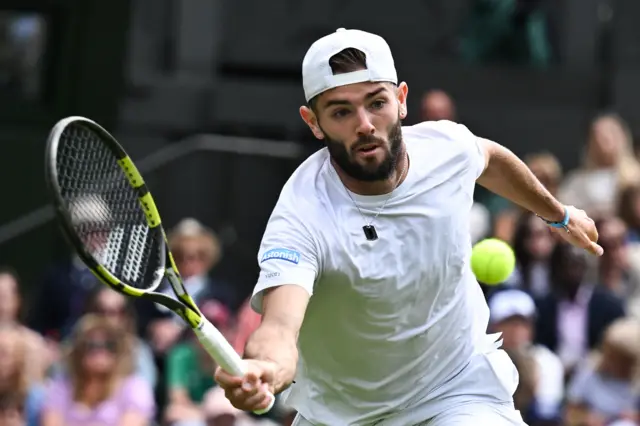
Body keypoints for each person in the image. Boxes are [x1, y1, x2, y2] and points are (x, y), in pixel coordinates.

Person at [214, 28, 602, 425]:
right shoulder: (301, 214)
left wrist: (559, 215)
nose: (364, 124)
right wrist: (264, 368)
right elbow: (279, 326)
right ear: (313, 122)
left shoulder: (446, 148)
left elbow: (492, 160)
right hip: (340, 417)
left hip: (455, 390)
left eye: (376, 103)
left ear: (401, 100)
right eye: (341, 111)